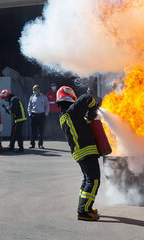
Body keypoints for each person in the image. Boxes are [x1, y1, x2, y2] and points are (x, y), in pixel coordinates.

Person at [56, 86, 100, 221]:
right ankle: (84, 212)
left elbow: (82, 124)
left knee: (87, 179)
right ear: (71, 98)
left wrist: (88, 116)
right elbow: (87, 98)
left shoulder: (65, 116)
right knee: (94, 180)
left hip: (79, 153)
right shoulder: (73, 111)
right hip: (86, 151)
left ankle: (84, 207)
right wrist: (92, 109)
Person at [27, 84, 49, 149]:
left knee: (41, 131)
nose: (34, 91)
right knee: (33, 131)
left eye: (35, 90)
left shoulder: (44, 97)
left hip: (41, 115)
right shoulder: (31, 97)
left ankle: (40, 144)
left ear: (39, 90)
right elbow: (29, 106)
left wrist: (46, 113)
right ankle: (32, 144)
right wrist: (30, 114)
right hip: (34, 115)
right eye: (33, 90)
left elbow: (47, 106)